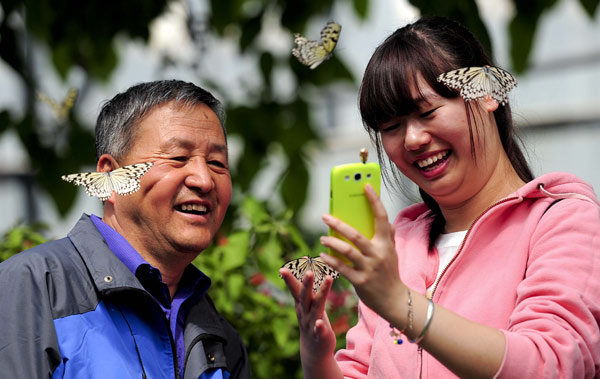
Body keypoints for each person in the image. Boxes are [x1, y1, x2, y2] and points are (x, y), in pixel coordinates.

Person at [281, 16, 600, 378]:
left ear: (487, 93)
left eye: (427, 112)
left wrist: (401, 305)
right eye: (391, 127)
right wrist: (318, 358)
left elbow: (551, 364)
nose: (413, 139)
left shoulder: (565, 223)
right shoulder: (400, 246)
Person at [0, 80, 250, 378]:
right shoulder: (36, 287)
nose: (204, 180)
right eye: (178, 158)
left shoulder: (218, 335)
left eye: (217, 163)